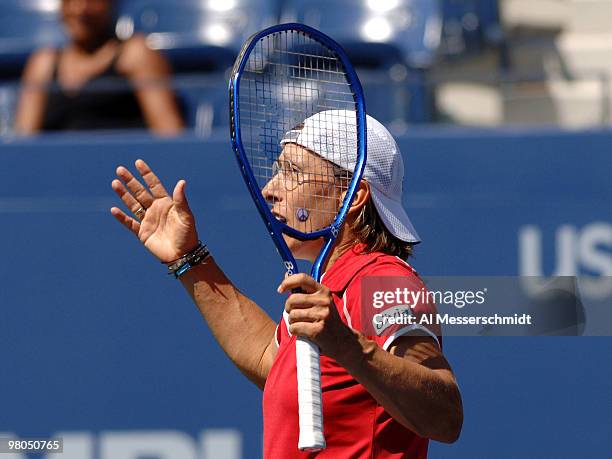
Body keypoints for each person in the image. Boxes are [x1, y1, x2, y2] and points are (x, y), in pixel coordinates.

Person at [110, 112, 463, 458]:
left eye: (293, 172)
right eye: (279, 169)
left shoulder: (381, 279)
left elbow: (445, 417)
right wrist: (189, 259)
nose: (269, 190)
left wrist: (350, 347)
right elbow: (271, 359)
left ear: (352, 196)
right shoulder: (333, 281)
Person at [14, 0, 183, 135]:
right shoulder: (42, 62)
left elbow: (169, 134)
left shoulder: (136, 54)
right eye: (69, 1)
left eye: (92, 1)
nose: (79, 9)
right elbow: (23, 143)